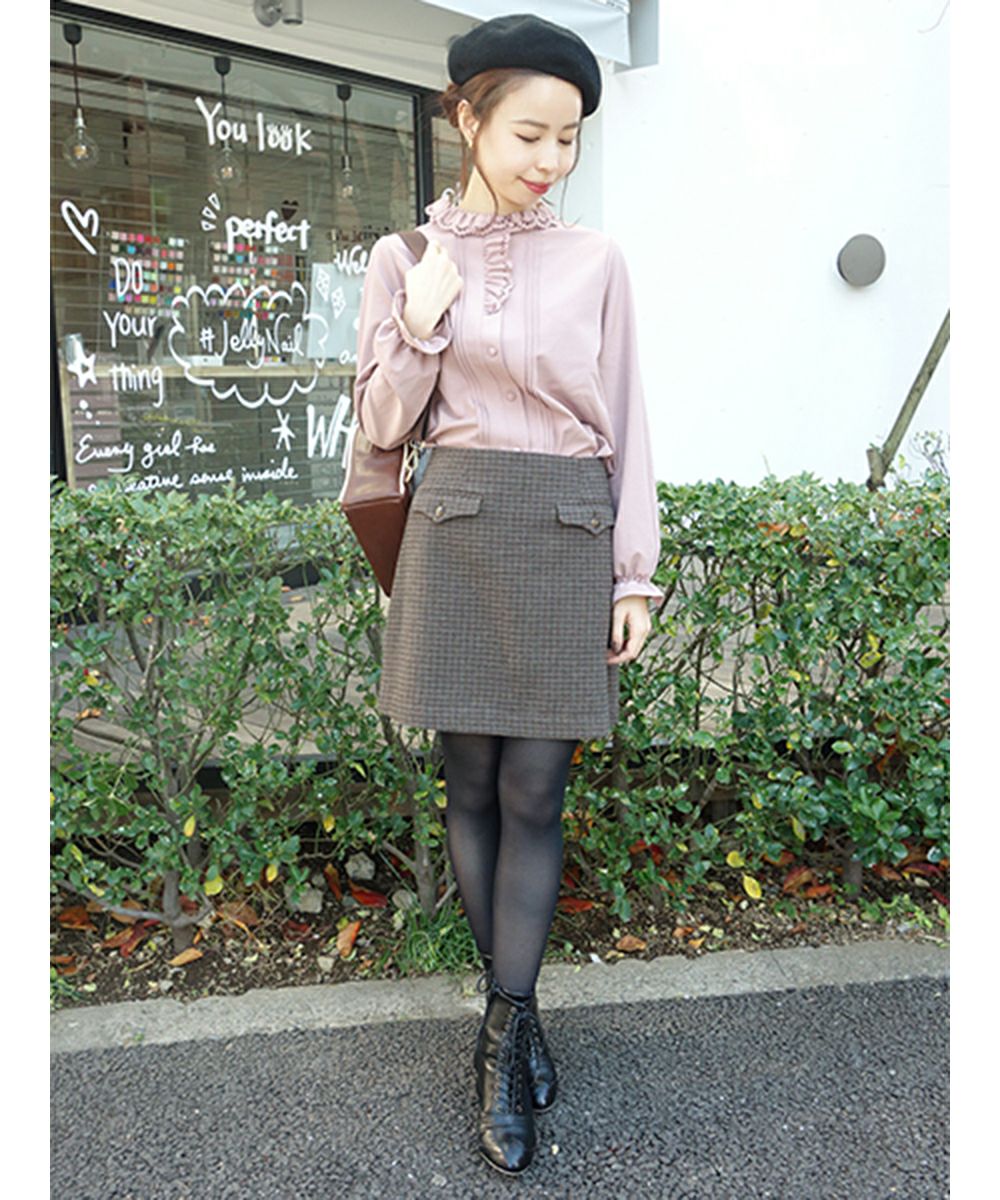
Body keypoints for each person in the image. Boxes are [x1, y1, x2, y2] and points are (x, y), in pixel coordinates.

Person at [352, 12, 664, 1177]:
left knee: (535, 790)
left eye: (567, 138)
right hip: (456, 528)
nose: (549, 158)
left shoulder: (597, 261)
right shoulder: (404, 258)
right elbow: (383, 425)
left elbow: (627, 421)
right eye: (529, 132)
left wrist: (633, 574)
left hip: (565, 530)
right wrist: (418, 324)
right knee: (470, 786)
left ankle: (504, 1021)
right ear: (466, 119)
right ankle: (510, 1026)